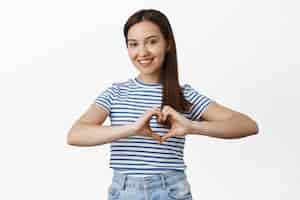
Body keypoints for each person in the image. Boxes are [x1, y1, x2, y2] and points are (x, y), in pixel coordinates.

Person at [67, 8, 259, 200]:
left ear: (167, 43)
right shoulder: (115, 93)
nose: (142, 52)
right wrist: (132, 128)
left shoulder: (183, 95)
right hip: (125, 191)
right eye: (133, 44)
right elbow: (75, 135)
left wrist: (192, 126)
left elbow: (247, 125)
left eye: (152, 41)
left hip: (171, 191)